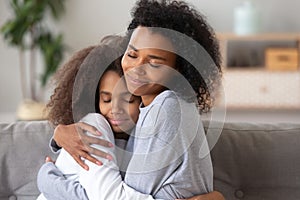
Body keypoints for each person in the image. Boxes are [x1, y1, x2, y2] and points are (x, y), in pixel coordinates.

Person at [37, 34, 224, 200]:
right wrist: (47, 176)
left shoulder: (145, 133)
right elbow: (107, 197)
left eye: (128, 100)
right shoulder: (95, 125)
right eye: (106, 99)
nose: (116, 109)